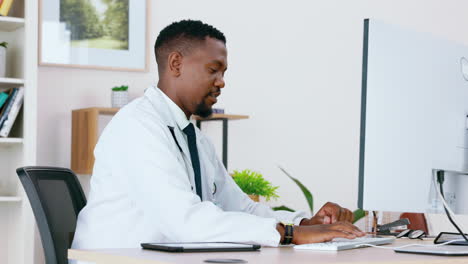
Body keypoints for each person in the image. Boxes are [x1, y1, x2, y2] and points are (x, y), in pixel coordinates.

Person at [72, 20, 364, 250]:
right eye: (213, 70)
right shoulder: (137, 126)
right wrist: (291, 234)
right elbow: (184, 222)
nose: (222, 82)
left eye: (224, 72)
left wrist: (303, 223)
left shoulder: (194, 138)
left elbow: (240, 206)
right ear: (176, 64)